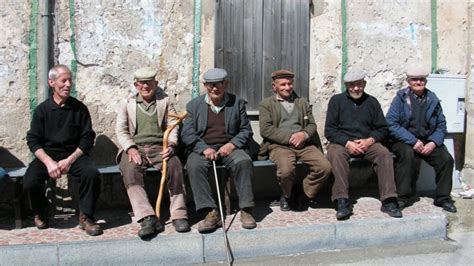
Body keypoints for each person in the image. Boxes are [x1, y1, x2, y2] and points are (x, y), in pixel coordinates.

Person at [24, 65, 102, 235]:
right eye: (63, 80)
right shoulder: (42, 110)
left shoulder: (80, 109)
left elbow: (87, 138)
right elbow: (33, 140)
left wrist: (70, 160)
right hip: (48, 155)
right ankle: (41, 211)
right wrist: (48, 162)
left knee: (91, 174)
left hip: (73, 155)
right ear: (52, 82)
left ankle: (86, 216)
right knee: (30, 180)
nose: (68, 85)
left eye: (70, 80)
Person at [116, 67, 190, 239]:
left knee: (175, 167)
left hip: (160, 146)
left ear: (155, 83)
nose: (146, 86)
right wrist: (130, 148)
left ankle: (179, 214)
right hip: (136, 147)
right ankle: (146, 217)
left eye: (149, 82)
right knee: (130, 171)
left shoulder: (164, 100)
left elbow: (173, 125)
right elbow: (121, 130)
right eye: (142, 83)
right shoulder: (126, 103)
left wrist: (171, 145)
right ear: (136, 85)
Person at [181, 68, 256, 233]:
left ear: (225, 84)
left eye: (218, 84)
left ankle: (246, 209)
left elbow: (245, 130)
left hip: (229, 146)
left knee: (243, 162)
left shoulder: (237, 103)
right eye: (210, 85)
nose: (214, 89)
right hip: (204, 148)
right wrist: (203, 148)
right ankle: (210, 212)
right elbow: (187, 133)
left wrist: (231, 145)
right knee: (194, 166)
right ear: (205, 85)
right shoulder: (194, 106)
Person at [324, 69, 402, 220]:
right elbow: (330, 130)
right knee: (335, 154)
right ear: (347, 86)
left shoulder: (372, 102)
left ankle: (389, 200)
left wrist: (370, 140)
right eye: (352, 85)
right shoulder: (336, 101)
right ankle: (342, 200)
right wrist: (347, 143)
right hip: (343, 142)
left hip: (367, 142)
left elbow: (382, 128)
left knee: (384, 154)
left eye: (359, 84)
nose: (356, 88)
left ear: (364, 84)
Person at [258, 69, 331, 211]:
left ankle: (302, 192)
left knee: (324, 167)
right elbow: (266, 129)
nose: (287, 87)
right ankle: (287, 194)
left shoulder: (302, 102)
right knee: (286, 171)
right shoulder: (266, 104)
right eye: (283, 84)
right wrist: (290, 138)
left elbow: (312, 125)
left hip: (304, 144)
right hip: (279, 146)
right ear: (275, 87)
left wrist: (303, 135)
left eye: (289, 84)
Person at [386, 67, 456, 213]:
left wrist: (433, 142)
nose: (418, 82)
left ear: (425, 81)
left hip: (427, 140)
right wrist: (413, 141)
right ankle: (403, 197)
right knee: (407, 154)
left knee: (446, 159)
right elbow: (391, 124)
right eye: (414, 80)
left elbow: (441, 125)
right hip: (404, 140)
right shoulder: (400, 98)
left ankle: (443, 198)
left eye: (421, 79)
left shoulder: (433, 99)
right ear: (408, 82)